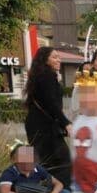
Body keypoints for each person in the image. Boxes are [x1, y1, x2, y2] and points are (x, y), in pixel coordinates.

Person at [23, 47, 72, 185]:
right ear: (45, 59)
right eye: (54, 57)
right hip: (44, 127)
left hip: (38, 125)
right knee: (61, 162)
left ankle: (44, 192)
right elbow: (51, 104)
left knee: (45, 162)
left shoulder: (40, 75)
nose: (59, 60)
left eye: (59, 57)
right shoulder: (46, 75)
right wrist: (66, 123)